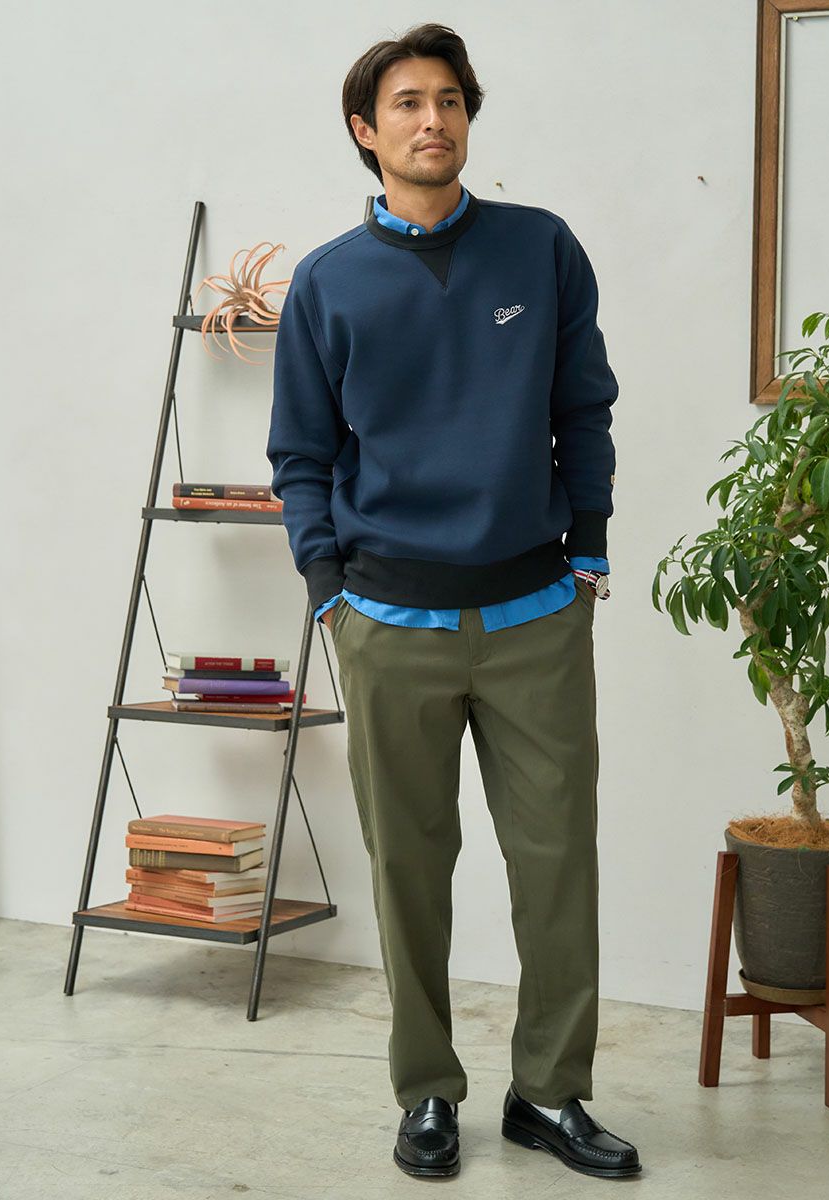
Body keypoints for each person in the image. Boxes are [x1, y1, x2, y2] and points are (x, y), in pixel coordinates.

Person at [266, 21, 640, 1182]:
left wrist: (589, 549)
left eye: (451, 100)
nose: (434, 120)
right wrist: (328, 592)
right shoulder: (328, 281)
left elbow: (583, 407)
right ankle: (426, 1089)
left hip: (535, 616)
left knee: (558, 864)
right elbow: (300, 456)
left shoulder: (541, 249)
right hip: (387, 624)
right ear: (365, 130)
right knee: (407, 873)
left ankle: (551, 1093)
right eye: (409, 103)